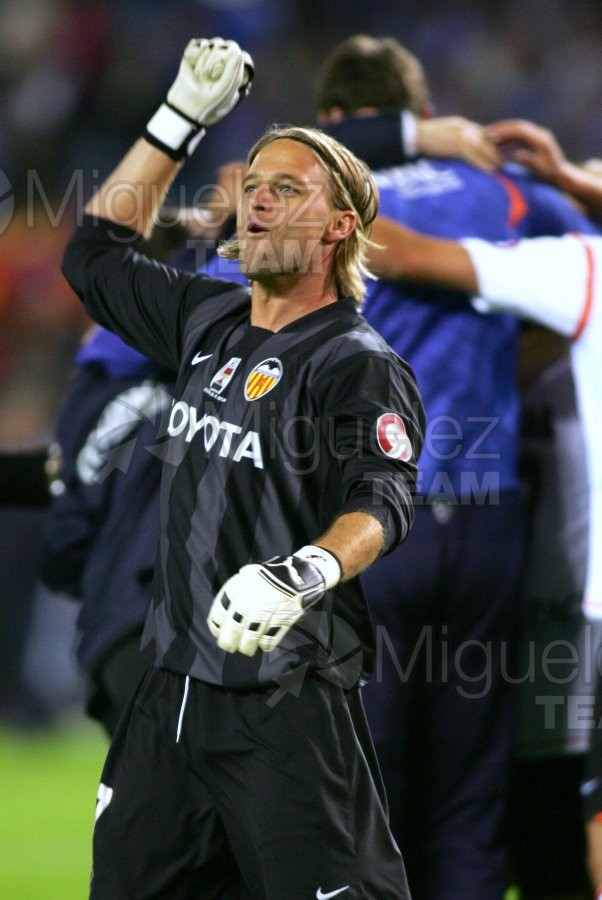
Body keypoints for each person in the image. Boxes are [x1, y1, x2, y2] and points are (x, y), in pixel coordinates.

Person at [61, 37, 425, 899]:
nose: (259, 200)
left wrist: (304, 573)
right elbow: (95, 255)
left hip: (285, 702)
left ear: (340, 227)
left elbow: (383, 499)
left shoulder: (357, 362)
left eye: (288, 190)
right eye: (254, 186)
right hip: (165, 697)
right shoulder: (208, 317)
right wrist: (178, 118)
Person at [318, 36, 600, 900]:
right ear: (428, 114)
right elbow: (582, 274)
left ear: (333, 122)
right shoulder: (503, 190)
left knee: (368, 781)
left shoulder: (323, 199)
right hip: (487, 517)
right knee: (470, 792)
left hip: (378, 519)